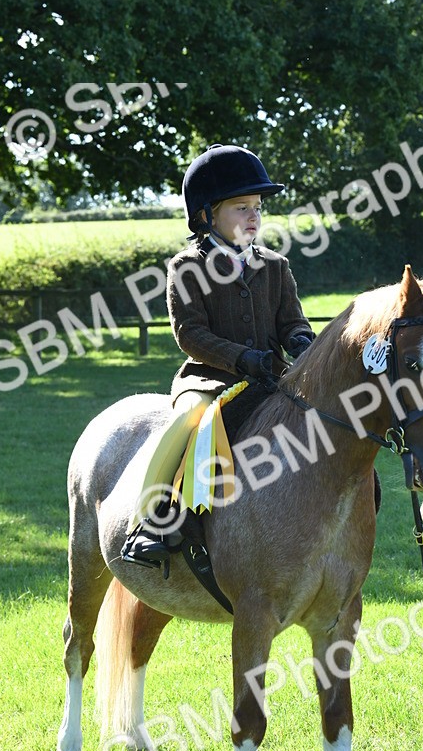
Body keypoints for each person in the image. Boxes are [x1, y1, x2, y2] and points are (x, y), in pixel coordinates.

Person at [121, 144, 315, 569]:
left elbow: (291, 321)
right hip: (209, 381)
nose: (254, 218)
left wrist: (301, 341)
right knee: (187, 423)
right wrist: (242, 358)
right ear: (207, 215)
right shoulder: (187, 266)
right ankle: (151, 522)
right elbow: (189, 333)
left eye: (258, 208)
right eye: (241, 208)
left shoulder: (275, 265)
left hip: (271, 377)